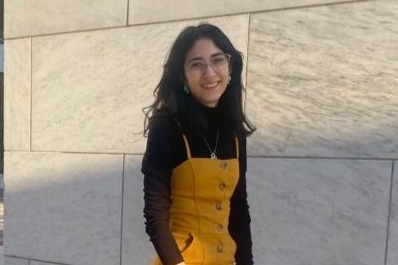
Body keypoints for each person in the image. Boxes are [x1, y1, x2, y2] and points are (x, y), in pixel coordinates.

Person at [142, 23, 256, 265]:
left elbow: (238, 210)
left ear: (230, 66)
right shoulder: (167, 127)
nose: (209, 73)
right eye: (196, 64)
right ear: (182, 74)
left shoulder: (234, 133)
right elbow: (155, 212)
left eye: (217, 60)